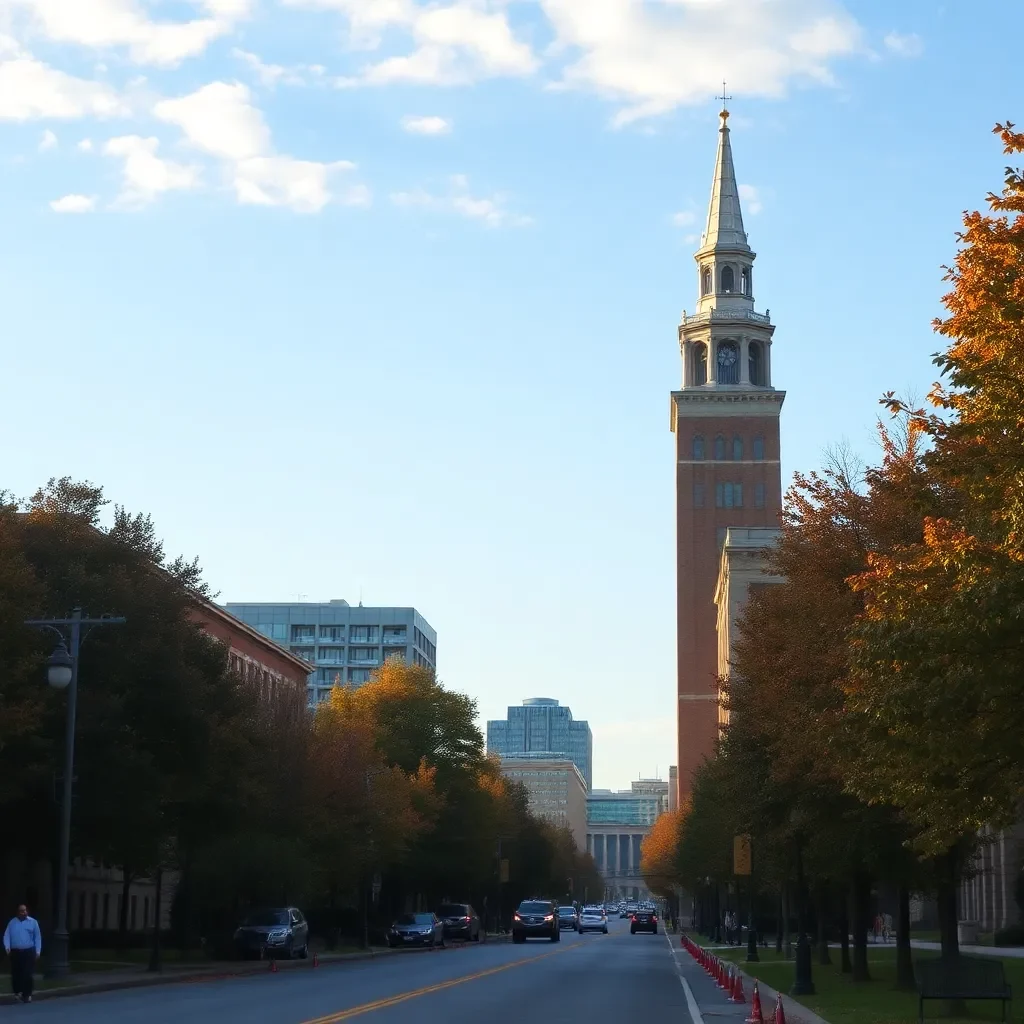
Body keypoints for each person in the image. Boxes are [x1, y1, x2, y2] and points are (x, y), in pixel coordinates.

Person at [4, 903, 42, 1003]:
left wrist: (38, 951)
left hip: (29, 951)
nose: (24, 912)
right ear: (18, 913)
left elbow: (37, 937)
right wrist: (7, 947)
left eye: (25, 910)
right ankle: (17, 992)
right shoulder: (12, 923)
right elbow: (6, 935)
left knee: (28, 973)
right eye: (21, 911)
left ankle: (27, 994)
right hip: (16, 952)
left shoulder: (33, 922)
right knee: (16, 973)